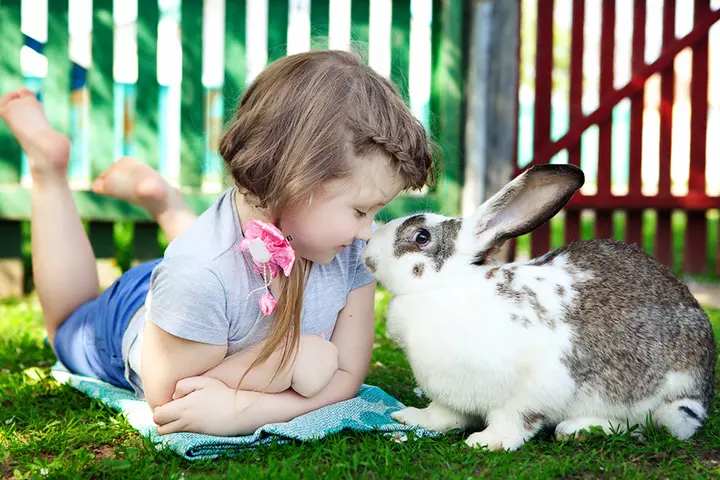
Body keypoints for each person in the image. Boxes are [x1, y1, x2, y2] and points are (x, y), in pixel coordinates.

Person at [0, 49, 435, 436]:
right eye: (361, 211)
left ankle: (166, 203)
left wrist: (245, 411)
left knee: (276, 325)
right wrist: (288, 360)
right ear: (295, 182)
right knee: (67, 324)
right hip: (139, 322)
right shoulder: (198, 274)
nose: (369, 231)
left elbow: (347, 375)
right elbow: (173, 402)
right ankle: (47, 170)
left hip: (212, 311)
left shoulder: (351, 250)